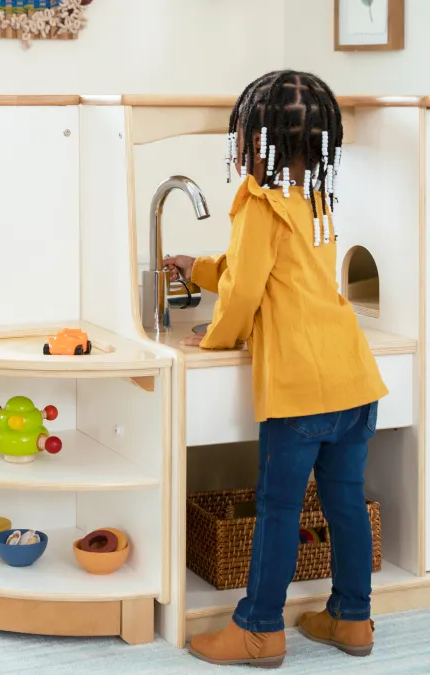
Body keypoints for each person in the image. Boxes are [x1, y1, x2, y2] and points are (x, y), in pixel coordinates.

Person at [165, 70, 386, 668]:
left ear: (251, 139)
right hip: (353, 379)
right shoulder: (317, 197)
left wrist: (212, 340)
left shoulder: (258, 201)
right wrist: (198, 265)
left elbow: (243, 295)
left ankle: (259, 629)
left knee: (279, 510)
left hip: (301, 390)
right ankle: (352, 619)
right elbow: (271, 272)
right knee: (344, 502)